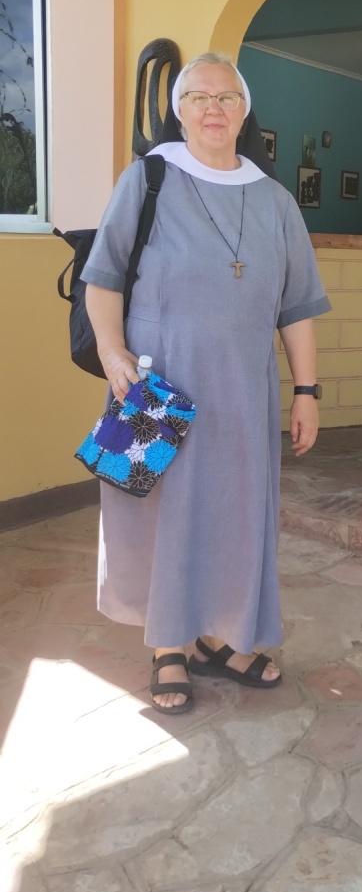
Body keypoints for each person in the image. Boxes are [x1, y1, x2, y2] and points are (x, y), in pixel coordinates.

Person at [82, 52, 331, 713]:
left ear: (245, 112)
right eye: (198, 97)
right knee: (155, 514)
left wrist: (307, 392)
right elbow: (102, 276)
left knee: (236, 513)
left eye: (227, 97)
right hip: (153, 383)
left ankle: (220, 636)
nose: (213, 108)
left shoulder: (275, 200)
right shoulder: (148, 179)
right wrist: (112, 351)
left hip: (243, 391)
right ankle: (169, 645)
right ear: (180, 111)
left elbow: (298, 308)